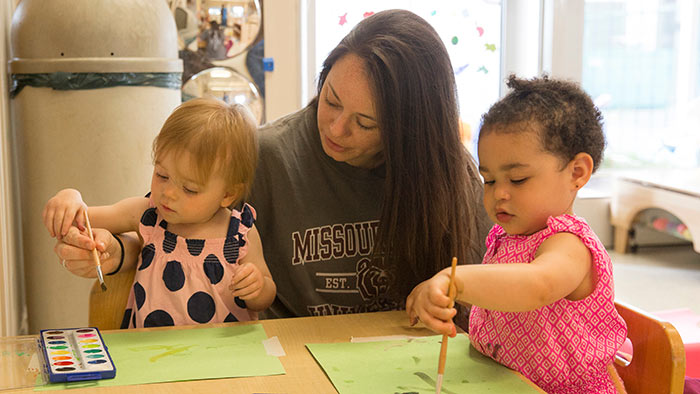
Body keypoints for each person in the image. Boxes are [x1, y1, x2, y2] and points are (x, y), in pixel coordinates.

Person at [51, 10, 490, 322]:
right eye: (330, 100)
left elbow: (486, 292)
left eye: (365, 123)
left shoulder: (449, 176)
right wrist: (112, 253)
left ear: (410, 131)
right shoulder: (264, 155)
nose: (336, 128)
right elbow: (161, 220)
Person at [406, 75, 628, 394]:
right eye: (490, 181)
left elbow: (537, 285)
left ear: (577, 173)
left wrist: (455, 280)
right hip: (503, 381)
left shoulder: (569, 244)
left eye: (518, 179)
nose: (500, 195)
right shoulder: (506, 236)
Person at [43, 98, 276, 328]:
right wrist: (70, 197)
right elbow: (83, 218)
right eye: (162, 175)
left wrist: (256, 287)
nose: (168, 193)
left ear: (227, 194)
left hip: (223, 357)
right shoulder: (147, 215)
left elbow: (265, 297)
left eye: (189, 189)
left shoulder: (239, 234)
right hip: (151, 354)